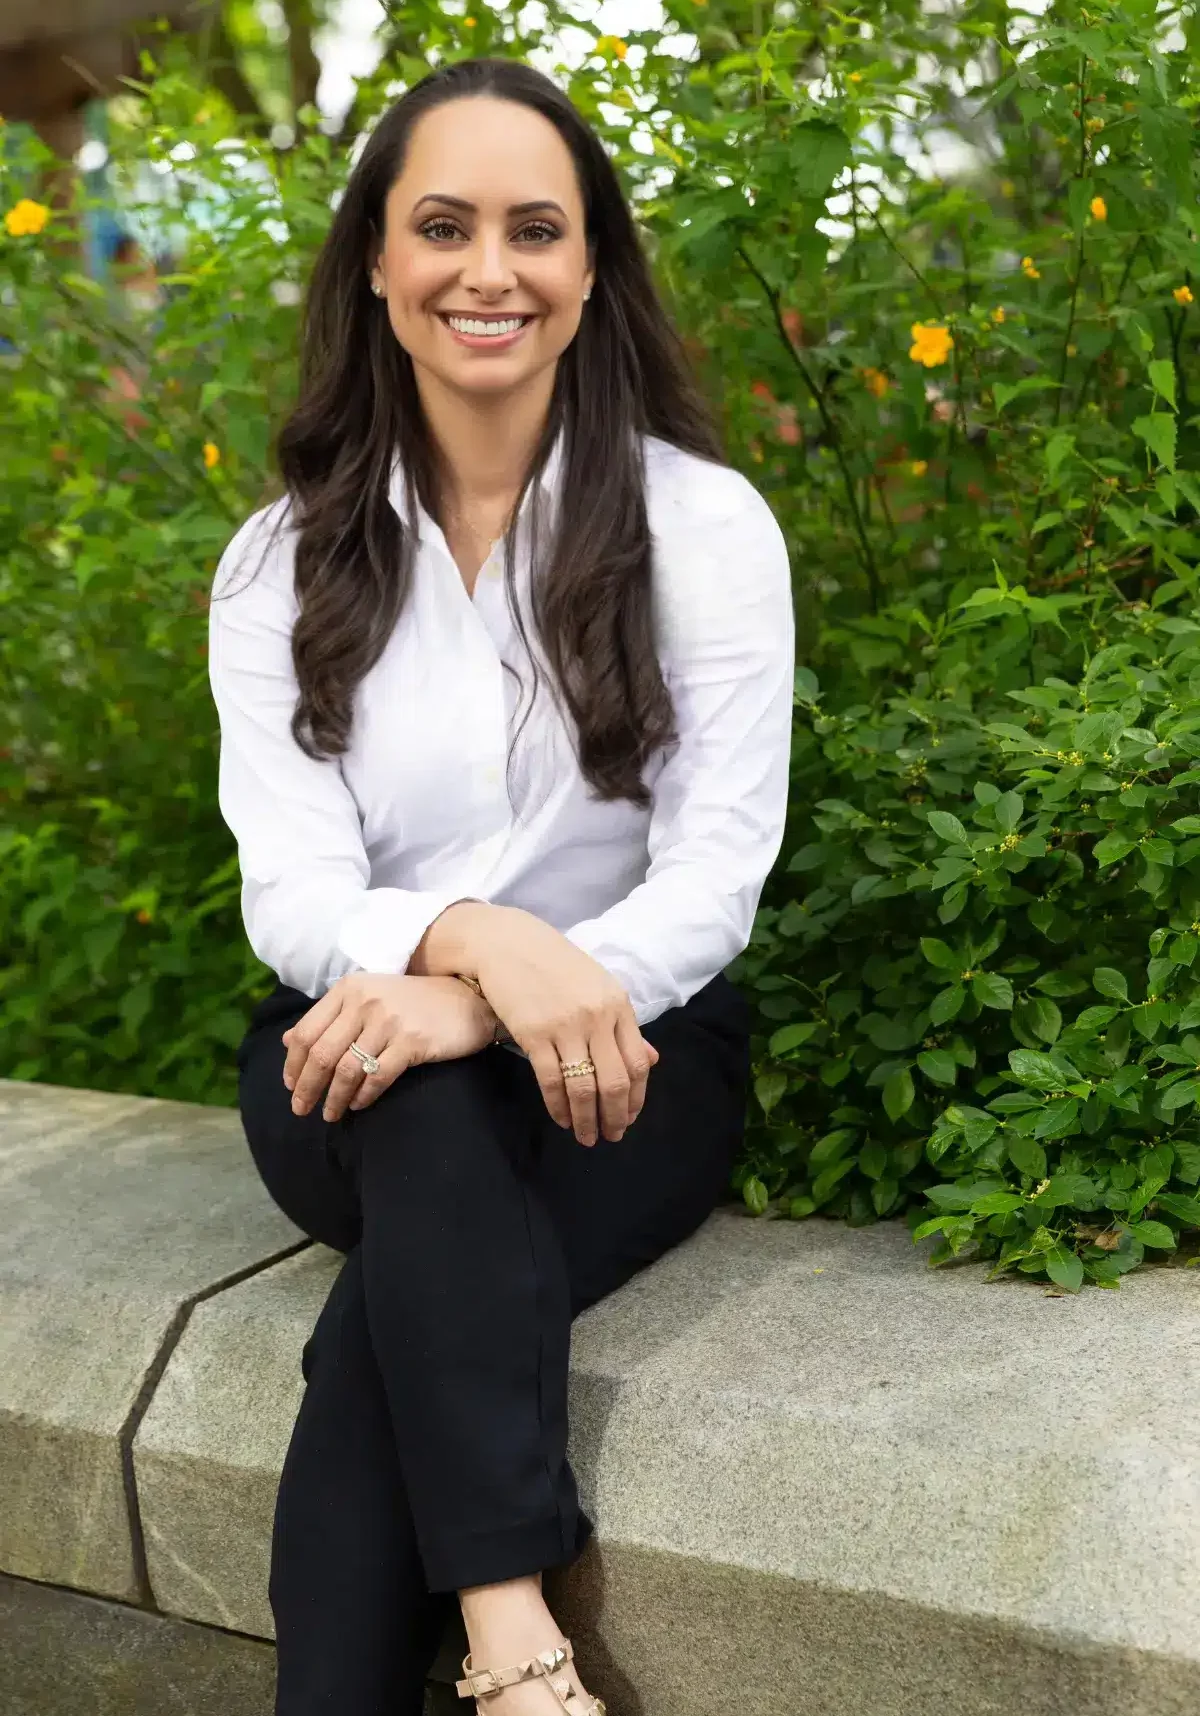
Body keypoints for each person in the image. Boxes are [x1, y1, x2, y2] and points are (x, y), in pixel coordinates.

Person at [208, 54, 794, 1716]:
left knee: (383, 1330)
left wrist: (522, 992)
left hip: (634, 1060)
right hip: (347, 1061)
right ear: (378, 268)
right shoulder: (278, 562)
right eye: (444, 226)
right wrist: (471, 956)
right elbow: (296, 893)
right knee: (414, 1100)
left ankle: (455, 1665)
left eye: (535, 230)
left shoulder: (704, 528)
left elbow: (716, 873)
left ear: (590, 266)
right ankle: (517, 1654)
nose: (491, 270)